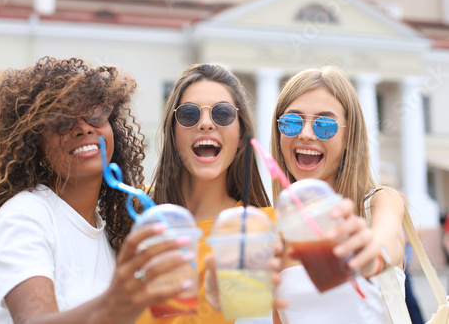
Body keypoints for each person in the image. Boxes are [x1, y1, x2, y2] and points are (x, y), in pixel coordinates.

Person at [0, 57, 194, 324]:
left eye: (96, 114)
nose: (83, 128)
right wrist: (117, 299)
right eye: (60, 121)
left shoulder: (104, 235)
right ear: (35, 144)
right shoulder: (25, 216)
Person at [136, 63, 280, 324]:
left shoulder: (265, 228)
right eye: (189, 115)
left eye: (222, 114)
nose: (205, 123)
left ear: (240, 137)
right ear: (173, 132)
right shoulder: (133, 213)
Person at [270, 66, 406, 324]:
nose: (306, 134)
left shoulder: (379, 203)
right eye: (292, 122)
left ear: (348, 138)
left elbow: (390, 240)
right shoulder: (276, 233)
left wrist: (372, 253)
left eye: (325, 125)